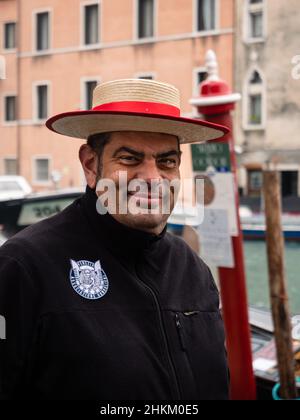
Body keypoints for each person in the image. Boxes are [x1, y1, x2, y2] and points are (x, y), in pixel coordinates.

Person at [0, 79, 229, 400]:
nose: (153, 179)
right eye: (130, 159)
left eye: (167, 161)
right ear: (91, 166)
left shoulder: (192, 269)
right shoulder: (24, 267)